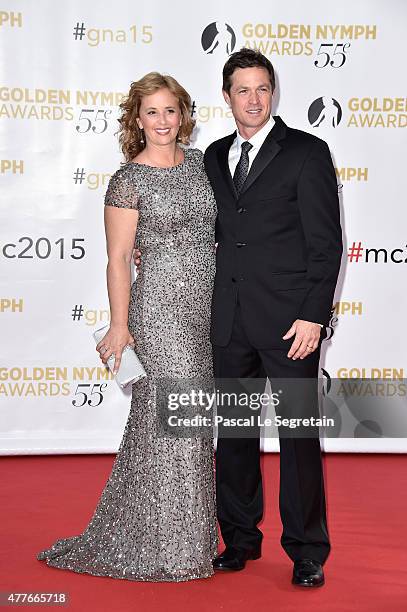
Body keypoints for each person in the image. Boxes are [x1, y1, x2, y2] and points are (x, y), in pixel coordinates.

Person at [36, 72, 218, 582]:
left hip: (206, 308)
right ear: (136, 120)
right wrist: (120, 326)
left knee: (194, 421)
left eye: (171, 110)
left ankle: (186, 535)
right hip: (158, 312)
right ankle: (168, 546)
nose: (162, 121)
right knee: (175, 418)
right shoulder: (128, 179)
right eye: (152, 112)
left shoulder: (203, 165)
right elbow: (118, 259)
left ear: (184, 115)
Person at [203, 48, 343, 586]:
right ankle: (239, 539)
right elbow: (206, 230)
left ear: (273, 92)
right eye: (243, 90)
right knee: (233, 437)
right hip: (229, 321)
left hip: (291, 326)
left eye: (262, 88)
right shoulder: (214, 157)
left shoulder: (307, 152)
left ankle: (308, 550)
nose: (254, 99)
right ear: (227, 97)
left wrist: (314, 316)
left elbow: (326, 244)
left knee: (299, 439)